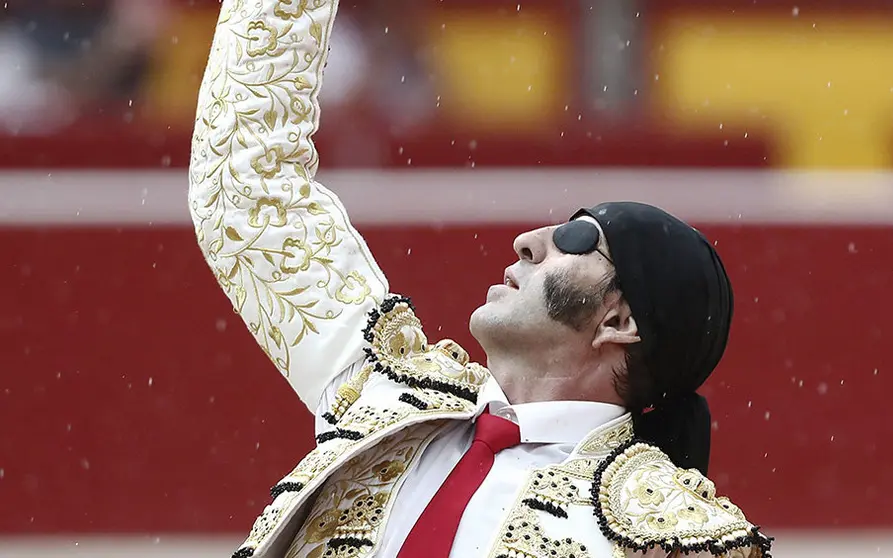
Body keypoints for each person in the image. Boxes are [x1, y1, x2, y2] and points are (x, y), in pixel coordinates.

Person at [188, 1, 772, 557]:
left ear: (618, 321)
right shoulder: (384, 394)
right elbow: (246, 194)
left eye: (576, 239)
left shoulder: (674, 537)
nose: (528, 241)